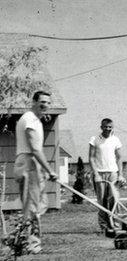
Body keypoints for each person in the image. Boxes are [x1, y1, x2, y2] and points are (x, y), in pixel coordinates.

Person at [14, 91, 58, 254]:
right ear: (33, 102)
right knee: (32, 206)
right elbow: (34, 149)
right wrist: (50, 170)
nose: (45, 105)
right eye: (42, 102)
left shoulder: (35, 120)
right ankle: (31, 243)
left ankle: (26, 239)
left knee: (41, 203)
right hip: (28, 162)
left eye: (48, 102)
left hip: (32, 164)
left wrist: (42, 170)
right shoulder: (29, 119)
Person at [89, 118, 124, 236]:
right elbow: (91, 158)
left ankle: (116, 225)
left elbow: (119, 158)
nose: (108, 129)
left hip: (113, 173)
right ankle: (104, 227)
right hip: (100, 173)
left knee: (114, 199)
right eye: (106, 127)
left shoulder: (116, 140)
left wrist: (121, 174)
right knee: (102, 201)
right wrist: (96, 174)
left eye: (110, 127)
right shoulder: (95, 139)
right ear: (101, 127)